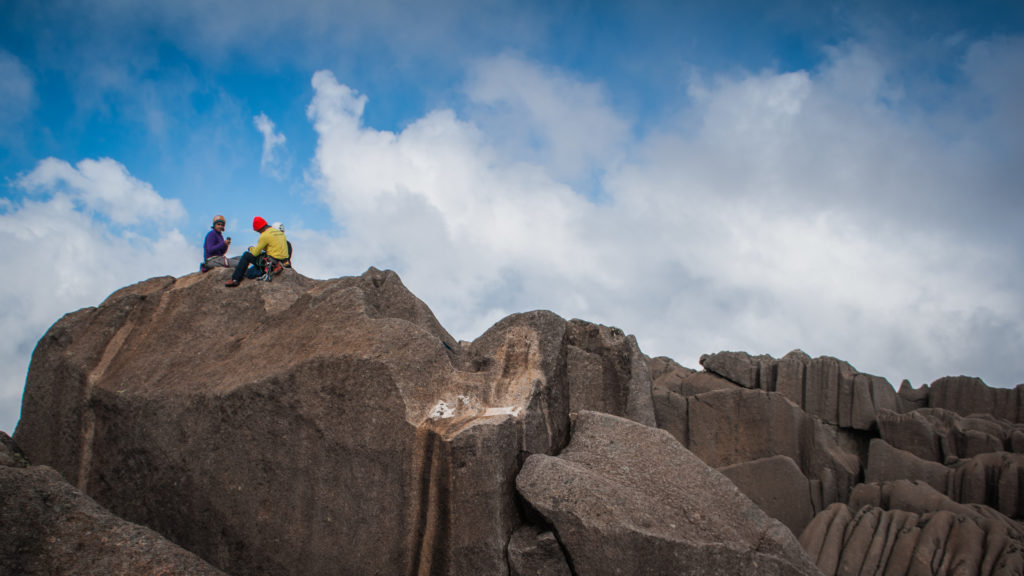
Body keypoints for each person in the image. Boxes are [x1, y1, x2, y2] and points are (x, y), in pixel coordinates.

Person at [225, 216, 289, 287]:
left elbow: (255, 253)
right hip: (283, 261)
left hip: (271, 262)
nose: (259, 233)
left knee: (246, 255)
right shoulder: (279, 233)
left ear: (260, 228)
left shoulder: (264, 235)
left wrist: (251, 248)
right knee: (251, 271)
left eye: (258, 231)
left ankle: (235, 279)